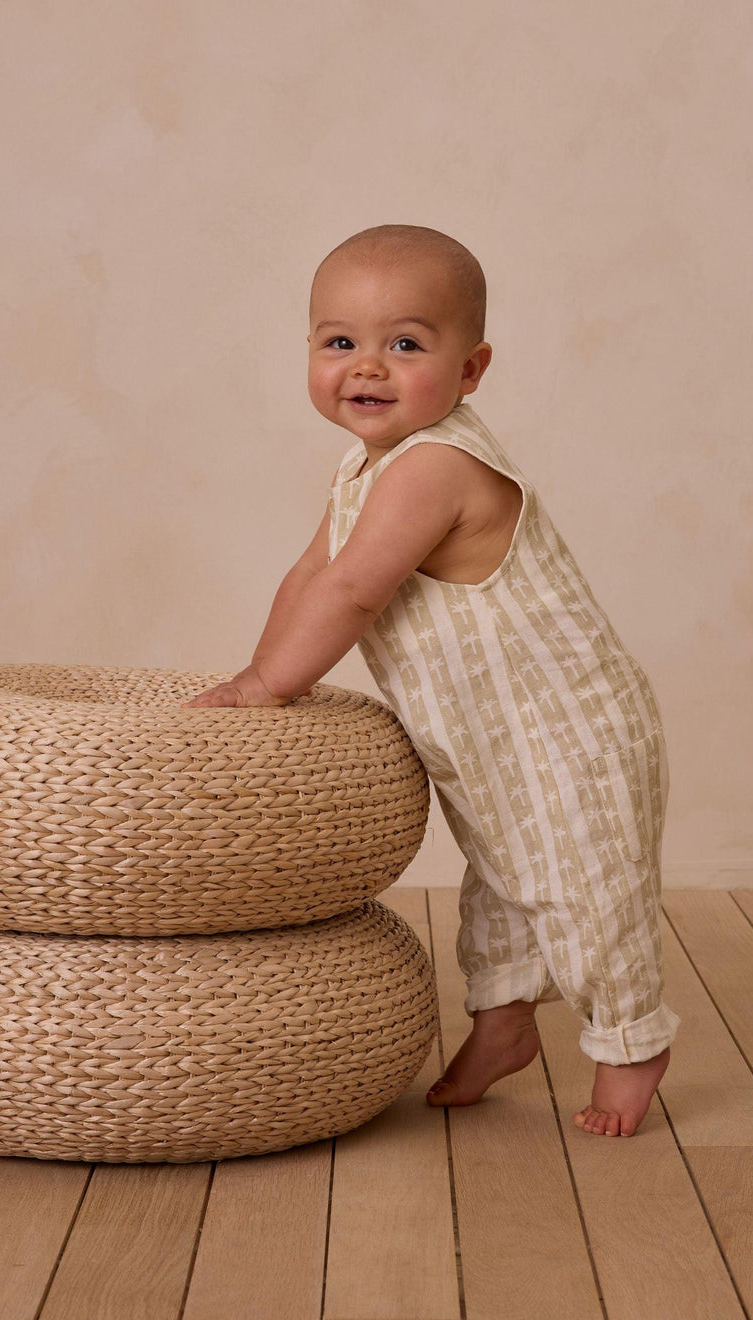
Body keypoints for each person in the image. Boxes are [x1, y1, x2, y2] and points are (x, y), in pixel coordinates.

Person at [183, 223, 681, 1137]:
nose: (367, 367)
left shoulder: (437, 465)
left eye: (405, 344)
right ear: (310, 351)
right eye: (341, 343)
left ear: (471, 369)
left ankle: (631, 1043)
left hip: (569, 728)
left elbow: (354, 590)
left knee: (583, 889)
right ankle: (504, 1025)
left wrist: (267, 686)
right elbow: (310, 575)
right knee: (499, 883)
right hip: (490, 739)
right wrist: (255, 677)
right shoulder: (362, 468)